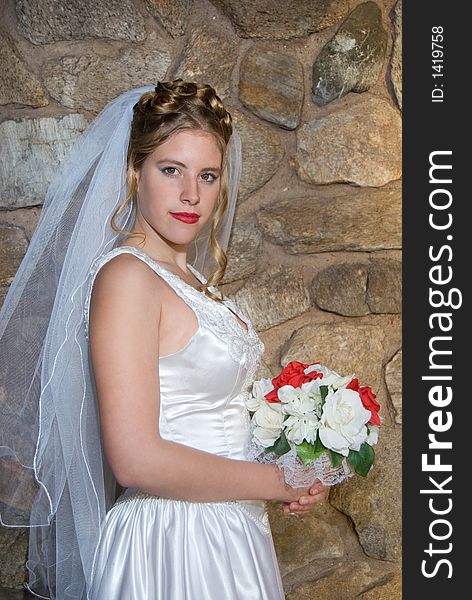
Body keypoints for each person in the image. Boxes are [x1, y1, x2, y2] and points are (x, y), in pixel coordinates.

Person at [0, 79, 327, 600]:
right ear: (134, 172)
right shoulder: (127, 278)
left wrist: (297, 461)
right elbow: (135, 457)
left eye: (208, 175)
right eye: (170, 169)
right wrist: (274, 483)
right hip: (172, 542)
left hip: (230, 532)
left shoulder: (191, 282)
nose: (191, 194)